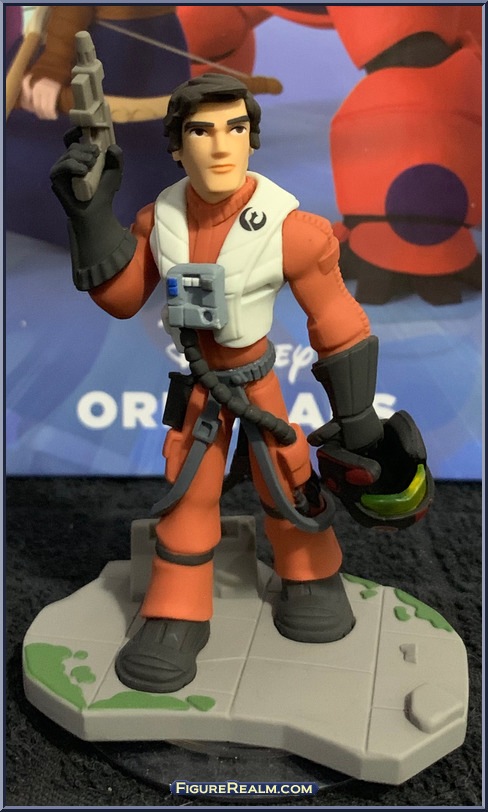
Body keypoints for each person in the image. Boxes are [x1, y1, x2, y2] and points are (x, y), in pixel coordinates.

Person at [50, 73, 393, 694]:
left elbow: (337, 322)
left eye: (235, 128)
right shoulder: (161, 218)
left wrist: (359, 419)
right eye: (201, 131)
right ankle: (177, 611)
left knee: (287, 475)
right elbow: (122, 297)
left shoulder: (291, 227)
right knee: (189, 490)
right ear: (177, 146)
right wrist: (91, 213)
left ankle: (311, 577)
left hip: (257, 379)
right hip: (201, 385)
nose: (221, 145)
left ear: (252, 139)